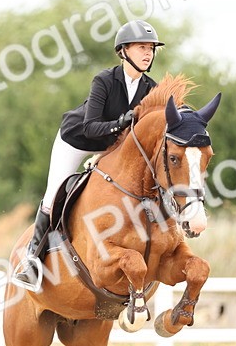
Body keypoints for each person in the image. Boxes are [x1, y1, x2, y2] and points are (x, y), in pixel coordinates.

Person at [11, 19, 165, 290]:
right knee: (54, 193)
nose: (148, 53)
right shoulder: (105, 80)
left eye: (151, 49)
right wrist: (122, 121)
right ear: (123, 51)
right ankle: (32, 260)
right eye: (142, 47)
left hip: (112, 147)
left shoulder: (151, 88)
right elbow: (90, 126)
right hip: (77, 139)